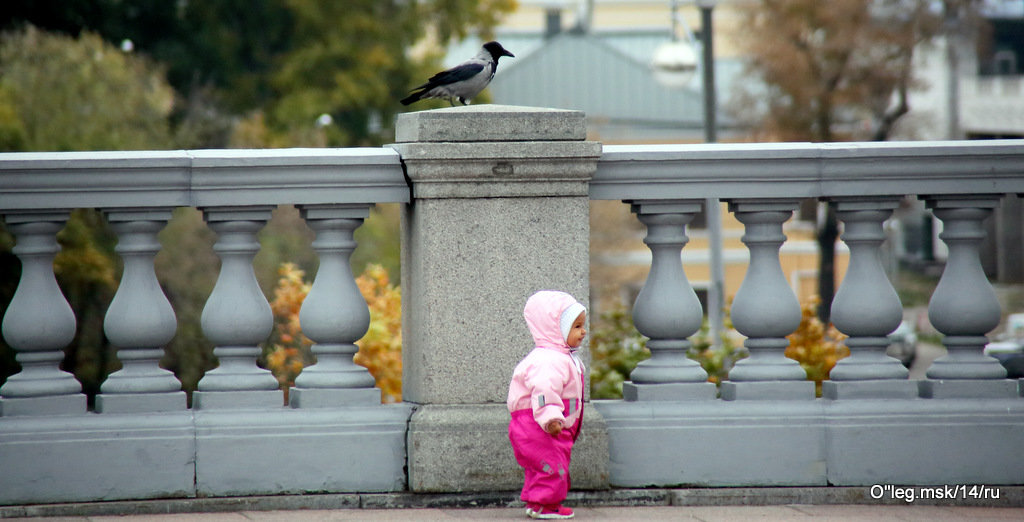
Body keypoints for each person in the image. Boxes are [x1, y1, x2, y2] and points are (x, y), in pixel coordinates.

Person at [507, 290, 587, 520]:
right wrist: (550, 418)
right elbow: (544, 392)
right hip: (540, 426)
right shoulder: (548, 361)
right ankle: (547, 505)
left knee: (540, 466)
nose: (583, 332)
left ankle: (536, 502)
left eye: (583, 325)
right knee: (552, 465)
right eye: (576, 326)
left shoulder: (560, 357)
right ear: (556, 329)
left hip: (537, 424)